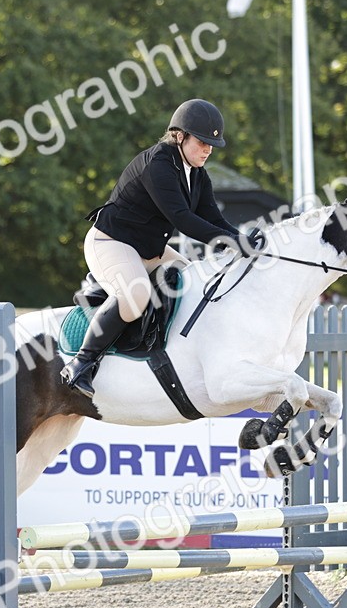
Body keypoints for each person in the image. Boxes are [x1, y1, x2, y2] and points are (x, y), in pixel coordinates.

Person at [61, 99, 241, 397]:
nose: (208, 149)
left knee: (194, 282)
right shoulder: (158, 164)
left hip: (149, 251)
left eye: (212, 144)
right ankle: (81, 363)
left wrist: (244, 241)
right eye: (203, 142)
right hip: (111, 243)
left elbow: (214, 218)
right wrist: (233, 243)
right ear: (180, 136)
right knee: (136, 294)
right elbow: (183, 220)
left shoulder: (196, 173)